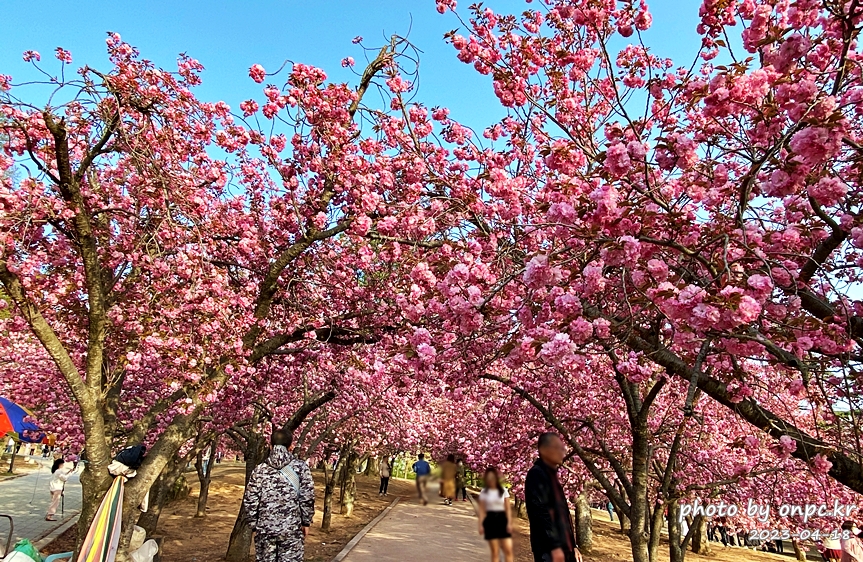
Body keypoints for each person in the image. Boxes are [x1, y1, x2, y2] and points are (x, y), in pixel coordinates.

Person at [242, 429, 315, 562]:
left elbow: (250, 499)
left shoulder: (260, 469)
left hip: (265, 529)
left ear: (270, 446)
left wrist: (253, 524)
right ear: (291, 447)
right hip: (291, 529)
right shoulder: (301, 468)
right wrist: (306, 522)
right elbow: (307, 498)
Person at [525, 433, 582, 562]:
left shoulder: (551, 476)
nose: (562, 451)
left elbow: (563, 516)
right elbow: (541, 513)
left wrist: (573, 546)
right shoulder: (537, 474)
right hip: (550, 549)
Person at [477, 467, 514, 562]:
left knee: (508, 550)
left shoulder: (503, 490)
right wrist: (481, 525)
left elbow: (508, 509)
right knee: (495, 552)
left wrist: (509, 523)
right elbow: (482, 510)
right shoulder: (484, 492)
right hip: (490, 521)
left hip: (502, 519)